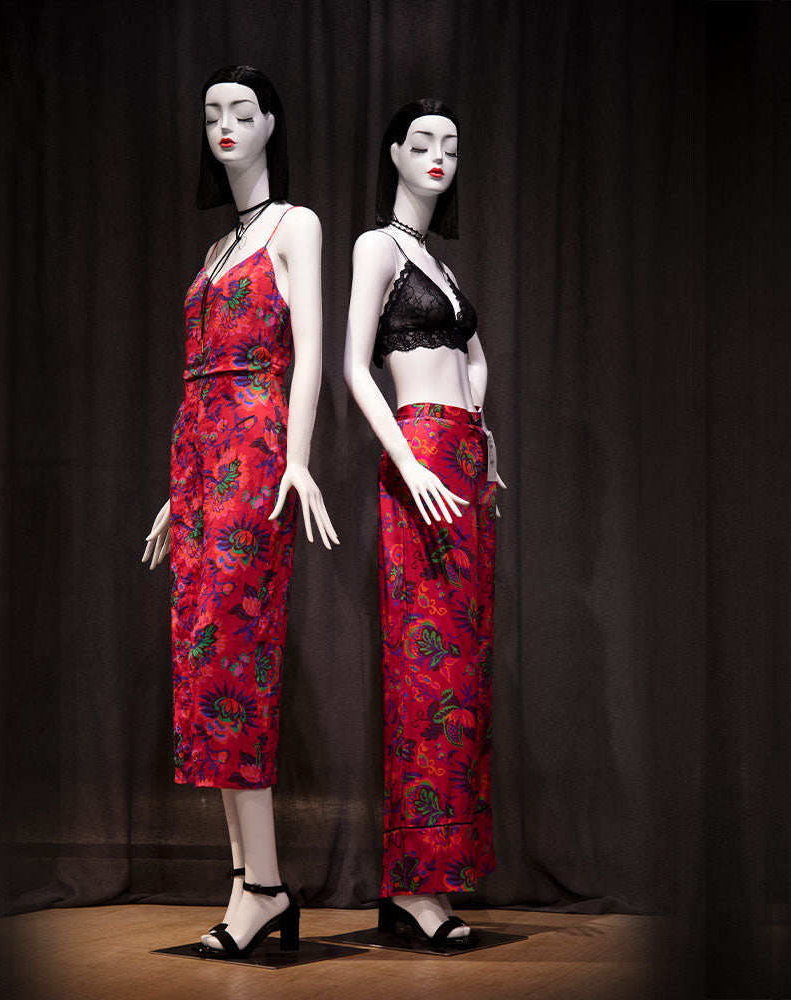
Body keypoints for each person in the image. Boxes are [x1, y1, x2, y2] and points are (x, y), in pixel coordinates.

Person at [142, 65, 338, 959]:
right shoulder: (217, 248)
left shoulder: (295, 226)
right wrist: (175, 491)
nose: (224, 123)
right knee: (205, 662)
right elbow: (199, 377)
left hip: (255, 450)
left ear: (271, 124)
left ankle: (263, 888)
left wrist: (296, 459)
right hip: (198, 458)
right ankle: (250, 883)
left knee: (236, 657)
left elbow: (309, 352)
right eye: (211, 111)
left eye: (241, 110)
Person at [343, 99, 505, 948]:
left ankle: (436, 878)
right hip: (421, 460)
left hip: (464, 464)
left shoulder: (438, 262)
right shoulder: (377, 247)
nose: (439, 154)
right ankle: (413, 886)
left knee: (463, 673)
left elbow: (473, 358)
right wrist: (408, 459)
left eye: (452, 144)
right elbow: (353, 365)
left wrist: (483, 437)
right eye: (423, 142)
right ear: (395, 154)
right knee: (424, 672)